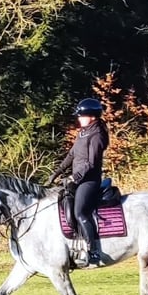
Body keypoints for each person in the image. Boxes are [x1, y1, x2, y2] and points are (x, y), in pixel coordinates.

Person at [47, 98, 109, 266]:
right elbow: (71, 156)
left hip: (89, 181)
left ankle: (93, 250)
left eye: (82, 116)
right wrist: (56, 173)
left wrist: (75, 178)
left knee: (80, 212)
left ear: (92, 116)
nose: (79, 118)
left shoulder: (97, 134)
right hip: (79, 179)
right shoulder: (83, 133)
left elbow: (91, 163)